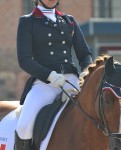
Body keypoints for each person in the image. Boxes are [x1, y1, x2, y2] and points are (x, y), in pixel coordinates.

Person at [15, 0, 93, 149]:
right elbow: (24, 60)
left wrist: (86, 74)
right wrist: (49, 75)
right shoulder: (27, 22)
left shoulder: (69, 20)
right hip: (45, 83)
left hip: (72, 81)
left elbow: (85, 55)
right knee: (24, 126)